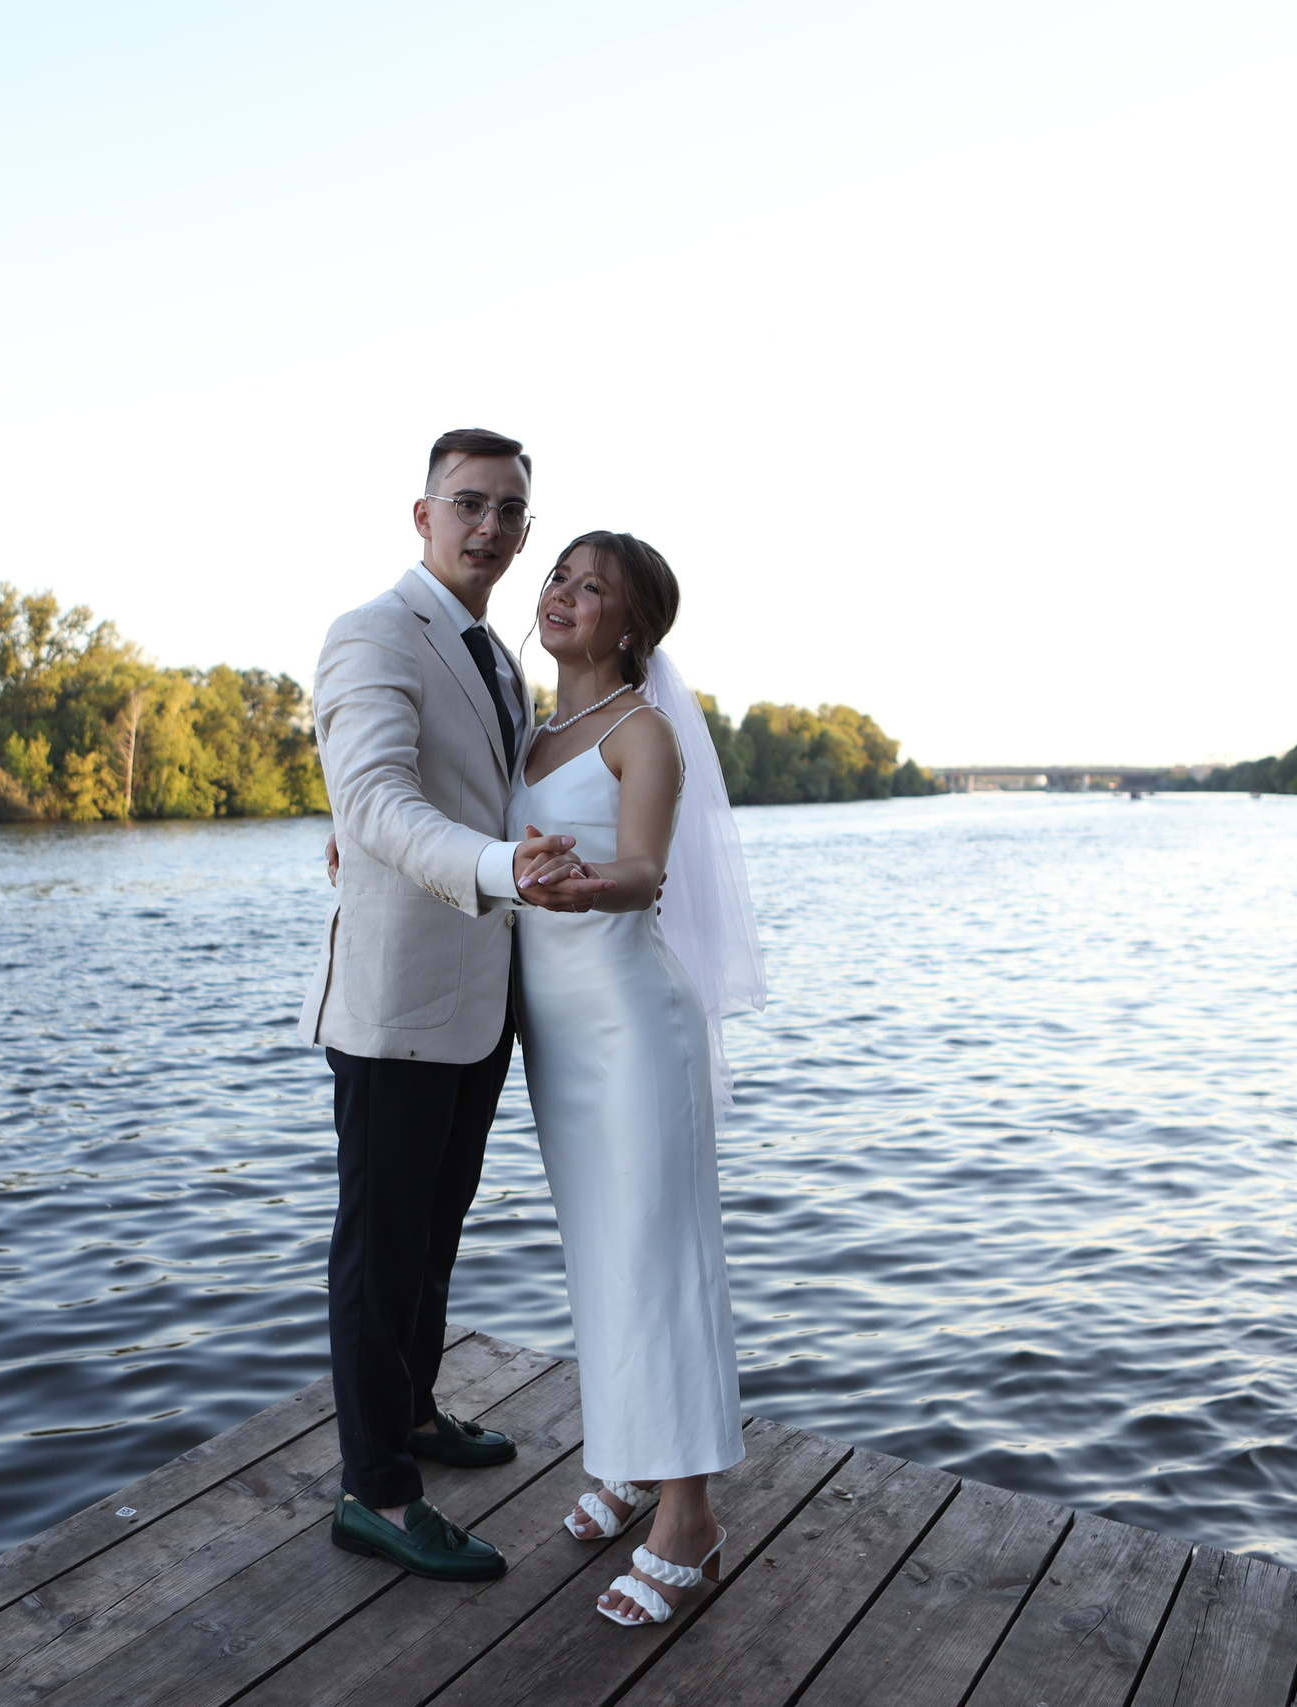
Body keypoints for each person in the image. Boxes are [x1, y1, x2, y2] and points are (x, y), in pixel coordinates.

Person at [297, 427, 610, 1582]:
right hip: (394, 1005)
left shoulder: (494, 655)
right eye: (468, 504)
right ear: (420, 515)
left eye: (509, 512)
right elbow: (375, 799)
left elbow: (451, 782)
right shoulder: (373, 631)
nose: (490, 527)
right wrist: (495, 870)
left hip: (480, 1002)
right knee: (379, 1253)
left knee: (434, 1238)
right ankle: (374, 1493)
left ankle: (416, 1414)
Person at [508, 530, 762, 1626]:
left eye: (590, 587)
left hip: (630, 1028)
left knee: (660, 1261)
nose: (562, 593)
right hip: (556, 1043)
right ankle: (624, 1456)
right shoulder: (528, 733)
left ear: (630, 628)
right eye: (557, 575)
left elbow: (646, 870)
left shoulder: (639, 731)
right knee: (598, 1255)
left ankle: (689, 1519)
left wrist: (586, 887)